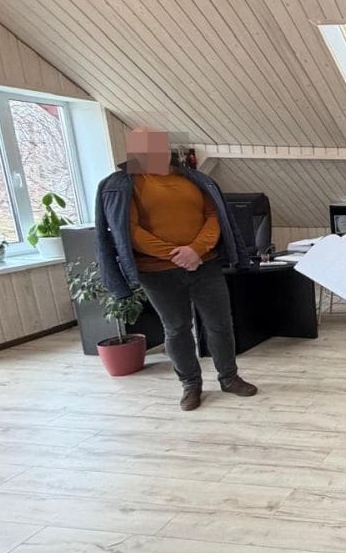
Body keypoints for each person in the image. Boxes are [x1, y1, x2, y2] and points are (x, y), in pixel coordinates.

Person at [95, 129, 256, 412]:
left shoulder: (195, 179)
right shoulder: (120, 185)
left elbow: (214, 216)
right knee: (177, 328)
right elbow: (128, 230)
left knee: (220, 324)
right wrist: (176, 255)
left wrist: (196, 250)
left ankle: (229, 377)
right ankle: (190, 384)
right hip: (156, 272)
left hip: (204, 264)